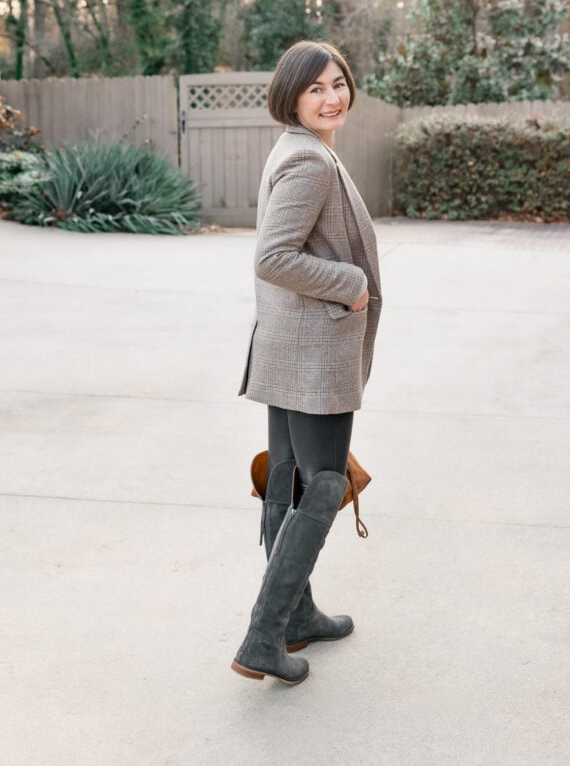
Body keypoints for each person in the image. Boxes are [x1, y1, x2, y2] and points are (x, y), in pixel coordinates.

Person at [231, 40, 382, 686]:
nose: (332, 96)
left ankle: (297, 613)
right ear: (292, 95)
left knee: (289, 477)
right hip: (313, 351)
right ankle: (263, 635)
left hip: (288, 343)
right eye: (316, 87)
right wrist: (349, 281)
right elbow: (272, 256)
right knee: (322, 482)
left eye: (338, 82)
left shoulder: (297, 147)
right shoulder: (310, 162)